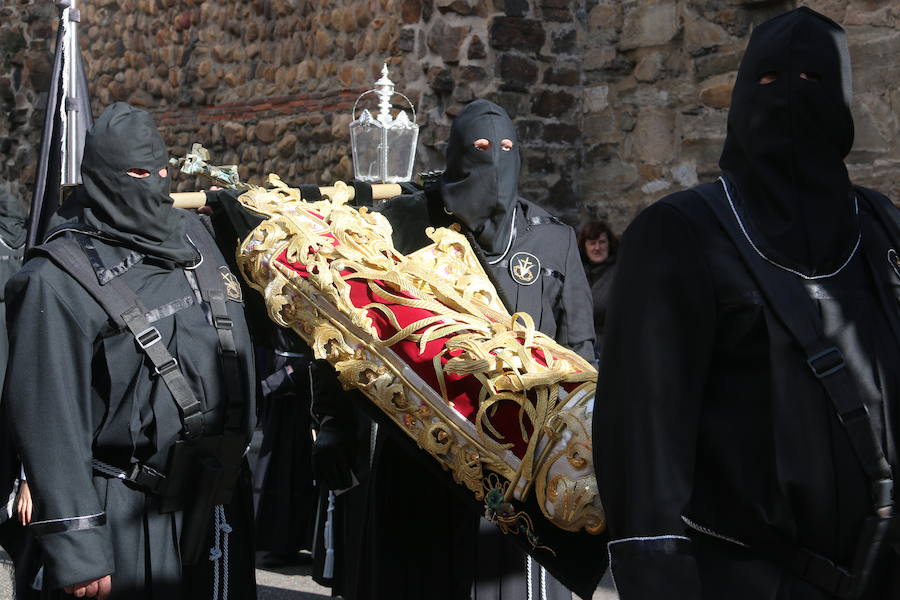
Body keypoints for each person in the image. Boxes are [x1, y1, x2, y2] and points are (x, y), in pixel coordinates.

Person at [594, 8, 900, 599]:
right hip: (745, 581)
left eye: (814, 82)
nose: (789, 98)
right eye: (767, 81)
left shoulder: (881, 228)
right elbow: (644, 441)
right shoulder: (680, 235)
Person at [329, 98, 596, 600]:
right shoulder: (408, 227)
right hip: (424, 441)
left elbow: (580, 345)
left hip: (517, 452)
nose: (494, 160)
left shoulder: (551, 240)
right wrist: (331, 421)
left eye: (506, 149)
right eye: (478, 149)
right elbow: (356, 323)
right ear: (455, 155)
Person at [3, 102, 257, 599]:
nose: (155, 183)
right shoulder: (57, 279)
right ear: (101, 177)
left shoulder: (198, 239)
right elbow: (48, 420)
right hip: (123, 515)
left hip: (214, 507)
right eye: (139, 173)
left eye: (162, 170)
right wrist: (78, 546)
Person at [577, 221, 618, 355]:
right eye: (592, 243)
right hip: (581, 346)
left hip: (611, 345)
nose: (597, 248)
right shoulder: (577, 273)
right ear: (584, 246)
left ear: (609, 244)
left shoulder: (620, 272)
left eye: (602, 242)